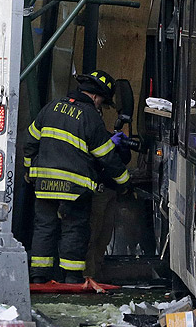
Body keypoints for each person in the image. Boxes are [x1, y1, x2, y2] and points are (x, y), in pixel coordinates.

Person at [22, 70, 130, 284]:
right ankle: (71, 277)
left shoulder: (50, 108)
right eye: (102, 103)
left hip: (43, 183)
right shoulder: (90, 116)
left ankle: (38, 276)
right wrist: (125, 182)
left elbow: (31, 143)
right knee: (75, 228)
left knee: (44, 226)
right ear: (96, 97)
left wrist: (29, 172)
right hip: (74, 188)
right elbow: (106, 157)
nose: (100, 107)